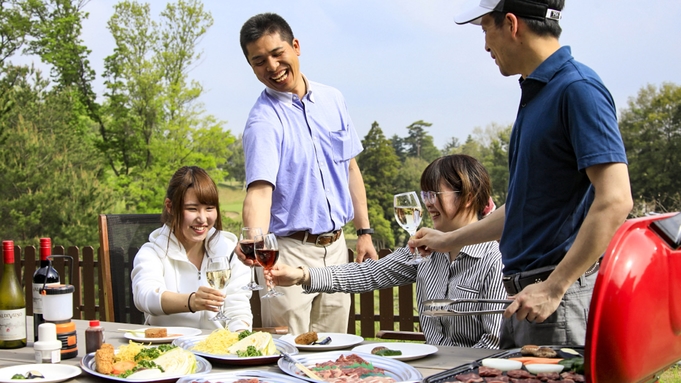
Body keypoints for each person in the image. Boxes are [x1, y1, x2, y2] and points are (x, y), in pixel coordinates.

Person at [409, 0, 633, 348]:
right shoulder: (537, 94)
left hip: (554, 302)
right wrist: (447, 241)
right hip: (524, 298)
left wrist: (554, 287)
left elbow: (616, 199)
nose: (485, 44)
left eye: (485, 27)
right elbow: (520, 210)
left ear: (511, 24)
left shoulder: (577, 89)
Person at [267, 155, 507, 348]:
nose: (428, 203)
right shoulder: (425, 251)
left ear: (468, 197)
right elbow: (367, 274)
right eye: (425, 195)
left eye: (434, 195)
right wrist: (302, 275)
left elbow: (494, 341)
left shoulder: (494, 258)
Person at [237, 13, 377, 335]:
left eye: (276, 53)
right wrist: (254, 239)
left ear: (295, 47)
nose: (271, 66)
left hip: (339, 250)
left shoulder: (333, 99)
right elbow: (259, 192)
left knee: (335, 350)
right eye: (259, 61)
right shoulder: (263, 122)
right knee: (290, 353)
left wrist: (364, 232)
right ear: (252, 67)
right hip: (287, 252)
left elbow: (350, 167)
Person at [131, 166, 252, 331]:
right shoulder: (152, 253)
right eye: (192, 209)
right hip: (167, 349)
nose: (202, 219)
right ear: (170, 207)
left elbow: (238, 310)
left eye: (209, 208)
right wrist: (192, 302)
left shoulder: (231, 251)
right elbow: (145, 296)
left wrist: (240, 342)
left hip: (216, 350)